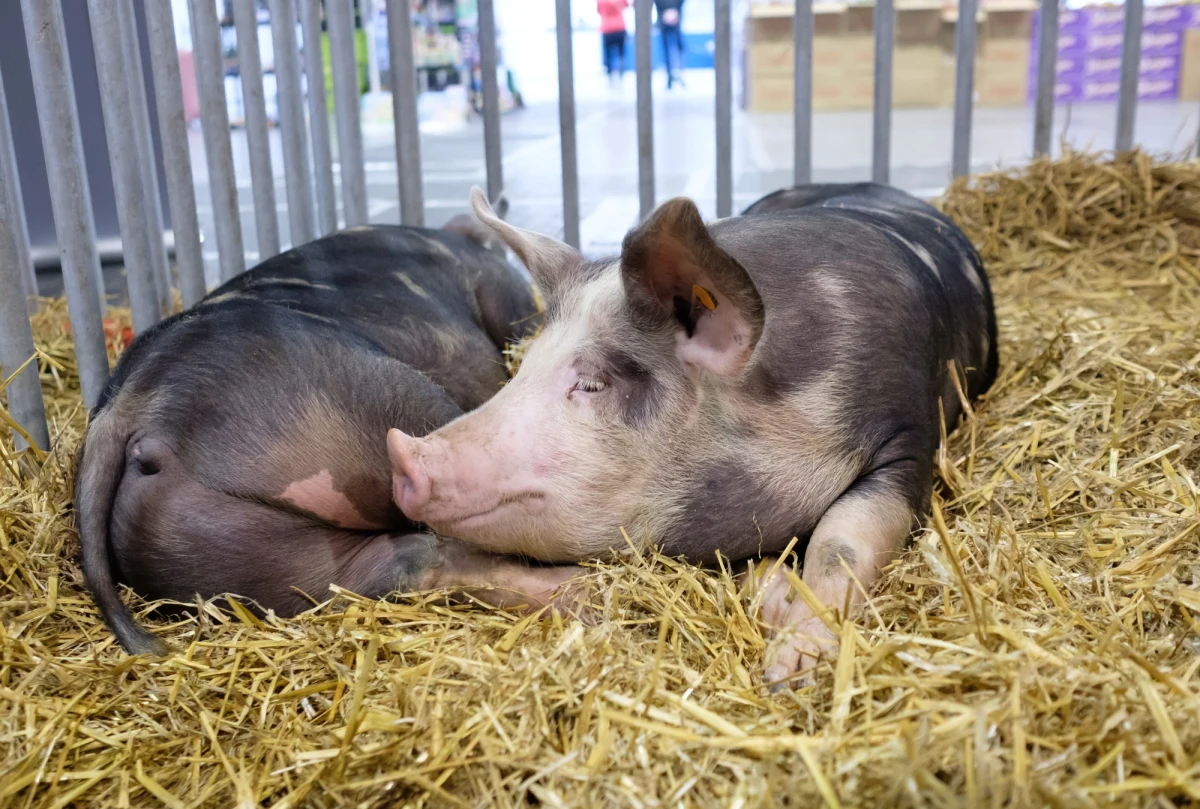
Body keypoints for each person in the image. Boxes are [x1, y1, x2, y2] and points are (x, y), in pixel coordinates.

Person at [597, 0, 629, 84]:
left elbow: (599, 10)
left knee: (608, 54)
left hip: (607, 28)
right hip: (619, 27)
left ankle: (610, 76)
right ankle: (621, 73)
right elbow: (626, 6)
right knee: (621, 53)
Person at [655, 0, 685, 89]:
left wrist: (674, 11)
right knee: (666, 52)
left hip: (676, 19)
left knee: (679, 48)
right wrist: (665, 12)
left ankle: (680, 74)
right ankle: (669, 76)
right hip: (663, 19)